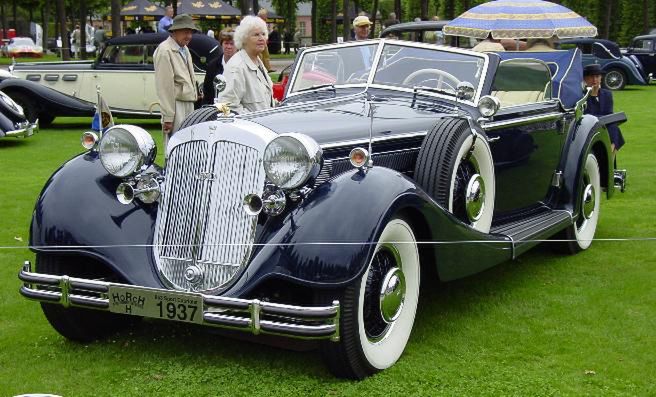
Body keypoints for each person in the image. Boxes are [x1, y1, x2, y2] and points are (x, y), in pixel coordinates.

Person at [154, 14, 201, 147]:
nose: (189, 36)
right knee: (176, 145)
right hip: (176, 105)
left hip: (188, 103)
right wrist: (168, 116)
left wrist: (195, 92)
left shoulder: (184, 49)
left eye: (191, 32)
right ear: (174, 32)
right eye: (185, 32)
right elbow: (164, 87)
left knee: (189, 144)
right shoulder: (165, 51)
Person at [217, 15, 274, 114]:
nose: (261, 38)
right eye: (256, 35)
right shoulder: (236, 67)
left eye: (263, 34)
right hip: (250, 127)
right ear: (244, 39)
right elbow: (224, 106)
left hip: (265, 126)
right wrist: (252, 120)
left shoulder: (258, 62)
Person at [583, 64, 625, 152]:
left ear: (601, 78)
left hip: (606, 125)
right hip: (588, 127)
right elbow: (588, 115)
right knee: (615, 129)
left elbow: (609, 115)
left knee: (613, 127)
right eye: (591, 77)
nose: (595, 80)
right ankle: (610, 156)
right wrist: (593, 95)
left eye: (597, 77)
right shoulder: (581, 96)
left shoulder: (607, 94)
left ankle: (610, 152)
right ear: (585, 79)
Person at [202, 28, 236, 105]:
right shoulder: (212, 65)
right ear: (221, 44)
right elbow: (207, 92)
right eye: (226, 43)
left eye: (232, 44)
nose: (229, 47)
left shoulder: (242, 65)